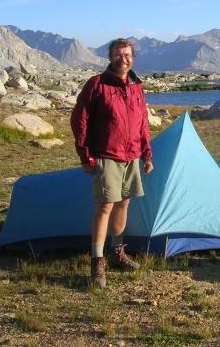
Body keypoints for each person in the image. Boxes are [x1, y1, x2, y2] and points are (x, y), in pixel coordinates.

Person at [71, 38, 154, 288]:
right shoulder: (97, 84)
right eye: (118, 55)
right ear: (110, 57)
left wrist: (146, 153)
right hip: (107, 155)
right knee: (105, 206)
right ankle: (97, 262)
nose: (123, 58)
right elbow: (79, 120)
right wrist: (85, 155)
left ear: (133, 58)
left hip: (132, 156)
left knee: (124, 203)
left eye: (127, 55)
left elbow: (142, 123)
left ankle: (118, 252)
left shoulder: (137, 86)